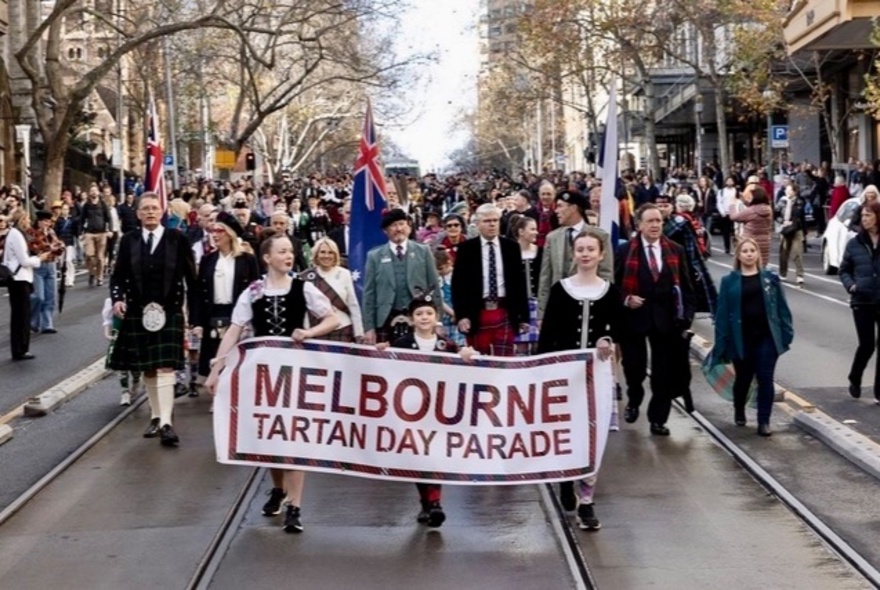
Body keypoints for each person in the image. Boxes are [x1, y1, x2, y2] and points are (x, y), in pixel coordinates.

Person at [205, 233, 340, 533]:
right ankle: (279, 489)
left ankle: (295, 506)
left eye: (291, 251)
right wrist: (216, 369)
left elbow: (333, 319)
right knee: (271, 438)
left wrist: (310, 333)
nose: (289, 256)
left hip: (296, 373)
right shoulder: (252, 292)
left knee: (294, 439)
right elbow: (234, 330)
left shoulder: (303, 288)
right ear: (267, 258)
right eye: (282, 252)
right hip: (264, 375)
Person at [538, 229, 622, 531]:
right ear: (573, 254)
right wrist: (542, 369)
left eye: (591, 249)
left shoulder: (610, 291)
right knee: (565, 431)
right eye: (580, 249)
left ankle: (587, 501)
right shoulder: (562, 290)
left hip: (596, 374)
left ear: (600, 255)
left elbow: (618, 329)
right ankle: (564, 478)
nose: (585, 254)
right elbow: (548, 334)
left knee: (593, 436)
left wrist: (607, 339)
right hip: (564, 373)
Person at [108, 192, 198, 447]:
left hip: (169, 310)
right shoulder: (129, 240)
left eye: (154, 208)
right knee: (148, 365)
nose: (150, 212)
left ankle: (167, 423)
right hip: (138, 310)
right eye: (145, 209)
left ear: (162, 212)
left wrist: (194, 313)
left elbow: (191, 279)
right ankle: (156, 416)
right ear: (137, 214)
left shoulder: (177, 239)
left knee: (166, 366)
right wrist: (117, 299)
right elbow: (118, 276)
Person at [380, 295, 475, 528]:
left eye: (428, 314)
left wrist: (465, 355)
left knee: (433, 455)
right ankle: (427, 503)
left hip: (438, 411)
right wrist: (380, 353)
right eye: (419, 314)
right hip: (411, 411)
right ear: (412, 320)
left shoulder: (446, 345)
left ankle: (434, 503)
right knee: (418, 457)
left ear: (436, 318)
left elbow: (463, 364)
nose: (424, 318)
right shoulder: (401, 344)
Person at [616, 204, 696, 436]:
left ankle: (658, 419)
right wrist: (626, 299)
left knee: (663, 373)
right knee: (634, 369)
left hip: (667, 322)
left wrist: (686, 317)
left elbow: (688, 288)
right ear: (639, 225)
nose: (654, 225)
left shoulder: (675, 250)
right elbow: (614, 287)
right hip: (634, 320)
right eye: (650, 221)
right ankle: (634, 398)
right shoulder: (625, 251)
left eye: (658, 221)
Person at [712, 238, 793, 436]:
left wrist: (786, 333)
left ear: (757, 254)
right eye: (745, 251)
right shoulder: (729, 281)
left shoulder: (769, 279)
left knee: (766, 378)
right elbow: (722, 315)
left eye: (752, 250)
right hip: (741, 339)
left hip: (766, 338)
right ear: (739, 256)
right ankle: (739, 408)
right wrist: (722, 342)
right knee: (744, 379)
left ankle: (763, 421)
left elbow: (782, 307)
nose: (749, 254)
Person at [451, 203, 529, 356]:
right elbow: (458, 286)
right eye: (487, 221)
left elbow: (519, 284)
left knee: (504, 362)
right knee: (479, 362)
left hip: (505, 310)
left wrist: (523, 317)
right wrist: (462, 316)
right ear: (478, 224)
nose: (492, 224)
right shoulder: (467, 249)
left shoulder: (511, 247)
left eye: (495, 220)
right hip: (477, 312)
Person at [194, 211, 260, 379]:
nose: (214, 235)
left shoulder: (247, 260)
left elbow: (256, 292)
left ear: (230, 234)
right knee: (214, 363)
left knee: (238, 365)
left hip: (238, 317)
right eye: (213, 231)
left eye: (219, 231)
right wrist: (198, 323)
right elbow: (199, 294)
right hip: (213, 315)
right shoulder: (207, 260)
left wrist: (252, 320)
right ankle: (216, 402)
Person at [362, 208, 442, 344]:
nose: (398, 229)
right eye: (393, 225)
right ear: (385, 231)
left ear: (409, 227)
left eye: (401, 224)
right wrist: (369, 327)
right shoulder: (374, 256)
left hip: (419, 319)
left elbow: (434, 288)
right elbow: (369, 295)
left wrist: (437, 321)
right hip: (386, 319)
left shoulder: (423, 251)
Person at [537, 189, 613, 321]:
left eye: (560, 206)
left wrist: (605, 311)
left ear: (573, 208)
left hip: (589, 306)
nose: (556, 211)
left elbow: (606, 274)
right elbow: (545, 277)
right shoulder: (553, 238)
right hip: (559, 307)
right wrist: (542, 314)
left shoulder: (600, 236)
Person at [839, 199, 880, 401]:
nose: (864, 219)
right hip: (862, 300)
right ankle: (855, 378)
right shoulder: (854, 243)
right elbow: (844, 270)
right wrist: (851, 286)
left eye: (868, 215)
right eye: (863, 215)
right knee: (867, 345)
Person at [3, 209, 48, 360]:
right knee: (21, 316)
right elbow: (24, 261)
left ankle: (21, 348)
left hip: (18, 278)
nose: (29, 222)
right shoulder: (16, 235)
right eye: (27, 219)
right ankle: (20, 349)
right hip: (19, 279)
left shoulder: (14, 234)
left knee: (20, 315)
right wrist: (40, 259)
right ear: (21, 219)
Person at [301, 237, 364, 342]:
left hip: (342, 329)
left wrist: (359, 333)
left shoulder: (345, 274)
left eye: (331, 252)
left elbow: (353, 306)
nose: (326, 256)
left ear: (335, 255)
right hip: (315, 330)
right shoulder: (306, 276)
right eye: (323, 252)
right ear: (316, 254)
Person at [27, 210, 65, 333]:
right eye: (45, 221)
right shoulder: (31, 232)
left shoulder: (51, 232)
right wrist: (51, 247)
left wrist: (59, 247)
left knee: (50, 296)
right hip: (38, 266)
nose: (47, 224)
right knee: (38, 297)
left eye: (49, 221)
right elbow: (35, 248)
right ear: (38, 221)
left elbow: (57, 248)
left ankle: (47, 324)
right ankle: (32, 321)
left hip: (51, 265)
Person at [511, 215, 542, 354]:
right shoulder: (510, 252)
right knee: (520, 344)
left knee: (539, 344)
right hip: (518, 305)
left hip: (538, 303)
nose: (536, 232)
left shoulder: (541, 252)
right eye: (532, 229)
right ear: (521, 231)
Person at [102, 297, 141, 406]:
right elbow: (107, 318)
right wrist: (107, 333)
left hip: (135, 332)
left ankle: (136, 381)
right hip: (119, 333)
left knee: (135, 364)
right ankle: (124, 392)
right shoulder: (111, 300)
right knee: (122, 365)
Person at [728, 186, 773, 266]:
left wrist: (732, 204)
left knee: (748, 265)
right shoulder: (768, 209)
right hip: (765, 242)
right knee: (761, 265)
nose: (749, 198)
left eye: (751, 197)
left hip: (750, 242)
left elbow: (734, 217)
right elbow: (755, 208)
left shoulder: (751, 211)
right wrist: (744, 200)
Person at [80, 186, 112, 287]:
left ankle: (100, 277)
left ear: (98, 193)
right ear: (89, 193)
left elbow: (108, 218)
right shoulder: (86, 205)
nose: (93, 193)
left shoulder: (103, 204)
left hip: (101, 233)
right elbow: (82, 219)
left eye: (95, 191)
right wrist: (80, 232)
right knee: (89, 255)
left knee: (100, 257)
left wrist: (109, 230)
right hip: (89, 233)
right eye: (91, 191)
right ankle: (92, 273)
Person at [777, 184, 807, 286]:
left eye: (789, 190)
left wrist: (794, 223)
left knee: (797, 252)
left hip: (796, 230)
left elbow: (800, 215)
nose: (787, 191)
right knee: (783, 253)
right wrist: (782, 221)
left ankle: (799, 275)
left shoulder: (799, 202)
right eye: (786, 189)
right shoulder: (782, 201)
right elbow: (776, 213)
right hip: (785, 230)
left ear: (794, 191)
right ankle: (783, 273)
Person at [54, 202, 80, 288]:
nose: (65, 211)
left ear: (69, 210)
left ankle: (71, 278)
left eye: (66, 209)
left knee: (69, 260)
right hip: (61, 243)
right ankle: (65, 278)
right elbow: (56, 232)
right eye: (63, 209)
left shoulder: (72, 220)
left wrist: (78, 237)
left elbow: (76, 231)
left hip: (70, 242)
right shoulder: (58, 221)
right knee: (62, 262)